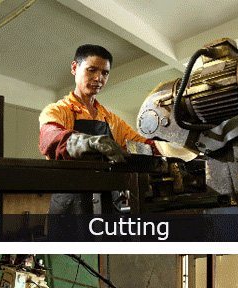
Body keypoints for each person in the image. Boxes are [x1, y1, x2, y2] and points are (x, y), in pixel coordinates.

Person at [38, 44, 159, 216]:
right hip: (71, 206)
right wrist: (88, 143)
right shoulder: (58, 111)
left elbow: (141, 144)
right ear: (74, 68)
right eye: (92, 70)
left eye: (105, 73)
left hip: (108, 204)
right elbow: (50, 137)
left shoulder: (110, 119)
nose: (98, 78)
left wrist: (169, 148)